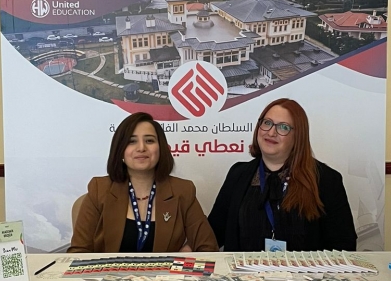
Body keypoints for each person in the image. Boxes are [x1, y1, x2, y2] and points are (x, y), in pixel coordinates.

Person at [208, 98, 357, 252]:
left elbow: (343, 246)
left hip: (303, 269)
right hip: (243, 268)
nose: (271, 132)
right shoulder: (238, 174)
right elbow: (212, 234)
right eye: (267, 123)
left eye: (283, 127)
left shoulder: (326, 180)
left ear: (298, 136)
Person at [69, 112, 217, 253]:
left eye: (149, 141)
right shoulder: (99, 189)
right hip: (108, 272)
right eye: (132, 141)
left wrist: (187, 256)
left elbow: (208, 247)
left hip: (163, 272)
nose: (141, 148)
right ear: (120, 150)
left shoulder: (183, 191)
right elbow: (79, 252)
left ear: (160, 148)